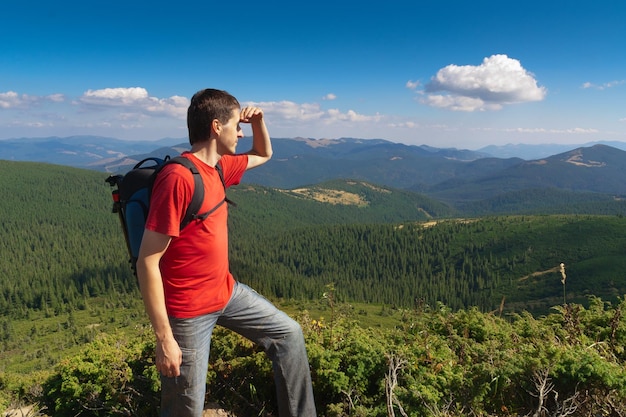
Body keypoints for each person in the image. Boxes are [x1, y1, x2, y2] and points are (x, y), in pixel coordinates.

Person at [136, 88, 317, 417]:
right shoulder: (179, 178)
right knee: (186, 409)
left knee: (289, 334)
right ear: (216, 127)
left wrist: (259, 121)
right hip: (188, 311)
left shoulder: (220, 167)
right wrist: (164, 339)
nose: (241, 132)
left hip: (226, 293)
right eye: (237, 125)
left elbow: (263, 154)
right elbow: (147, 261)